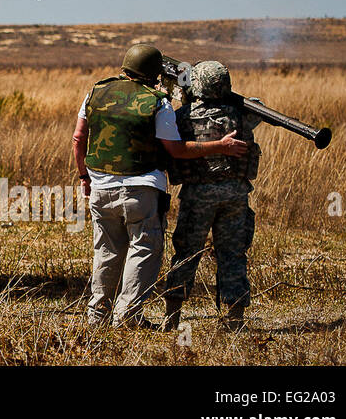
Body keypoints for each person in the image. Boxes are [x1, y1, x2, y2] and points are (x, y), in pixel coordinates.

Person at [71, 44, 248, 327]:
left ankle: (97, 315)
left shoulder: (95, 91)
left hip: (100, 187)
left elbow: (78, 138)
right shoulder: (158, 102)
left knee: (106, 251)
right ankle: (128, 316)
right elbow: (176, 150)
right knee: (143, 251)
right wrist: (221, 146)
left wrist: (84, 177)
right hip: (140, 189)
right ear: (155, 74)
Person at [162, 60, 262, 332]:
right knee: (232, 254)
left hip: (197, 196)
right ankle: (235, 321)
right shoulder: (242, 115)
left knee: (186, 254)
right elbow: (258, 106)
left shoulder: (183, 116)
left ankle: (172, 319)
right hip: (236, 195)